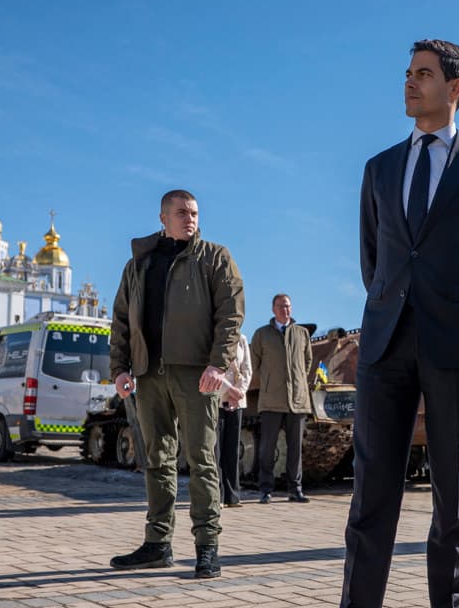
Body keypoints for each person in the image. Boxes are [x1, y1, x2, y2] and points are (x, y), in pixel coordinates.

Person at [283, 39, 459, 608]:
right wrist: (390, 310)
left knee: (455, 498)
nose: (410, 83)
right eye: (408, 74)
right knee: (370, 496)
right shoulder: (379, 168)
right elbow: (374, 261)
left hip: (456, 348)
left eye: (423, 75)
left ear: (457, 86)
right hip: (385, 346)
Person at [108, 189, 245, 580]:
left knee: (202, 460)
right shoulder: (139, 264)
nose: (191, 219)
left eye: (196, 212)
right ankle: (157, 544)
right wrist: (120, 368)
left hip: (196, 374)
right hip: (148, 374)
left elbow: (231, 314)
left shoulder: (214, 257)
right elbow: (120, 320)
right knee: (156, 459)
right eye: (183, 212)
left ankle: (207, 548)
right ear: (163, 217)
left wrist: (219, 365)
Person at [250, 293, 313, 504]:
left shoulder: (302, 333)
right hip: (271, 400)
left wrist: (298, 382)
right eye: (280, 306)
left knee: (295, 450)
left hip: (297, 400)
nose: (284, 309)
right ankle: (266, 489)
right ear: (273, 309)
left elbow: (307, 362)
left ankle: (295, 490)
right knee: (267, 448)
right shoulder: (262, 335)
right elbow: (254, 365)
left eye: (287, 306)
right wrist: (269, 380)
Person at [216, 332, 251, 507]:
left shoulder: (242, 340)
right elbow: (212, 369)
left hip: (237, 400)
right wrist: (229, 390)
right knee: (217, 450)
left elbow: (247, 369)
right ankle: (218, 495)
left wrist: (239, 392)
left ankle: (232, 495)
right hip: (217, 397)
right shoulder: (214, 336)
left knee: (232, 450)